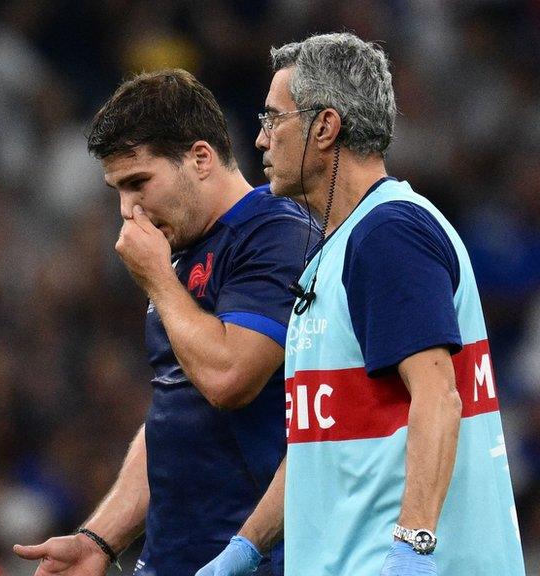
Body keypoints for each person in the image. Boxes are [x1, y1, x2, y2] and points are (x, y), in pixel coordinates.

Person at [196, 32, 526, 576]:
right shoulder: (340, 248)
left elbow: (439, 395)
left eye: (273, 119)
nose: (260, 140)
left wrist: (414, 550)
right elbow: (320, 445)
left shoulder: (388, 233)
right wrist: (246, 547)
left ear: (325, 127)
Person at [14, 69, 310, 575]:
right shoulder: (180, 253)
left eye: (138, 183)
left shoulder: (278, 233)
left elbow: (229, 379)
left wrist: (157, 281)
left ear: (199, 158)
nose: (128, 211)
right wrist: (99, 540)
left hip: (256, 560)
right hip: (171, 559)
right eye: (117, 190)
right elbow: (176, 415)